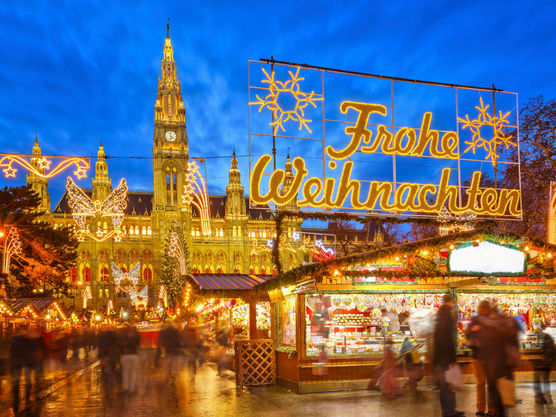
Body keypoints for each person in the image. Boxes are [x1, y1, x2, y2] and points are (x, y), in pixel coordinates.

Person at [433, 294, 465, 417]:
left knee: (445, 384)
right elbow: (446, 338)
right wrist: (452, 358)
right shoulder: (446, 314)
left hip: (440, 354)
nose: (453, 305)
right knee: (448, 384)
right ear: (449, 302)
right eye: (453, 303)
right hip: (444, 355)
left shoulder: (440, 313)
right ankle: (449, 411)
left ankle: (446, 409)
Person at [466, 300, 496, 416]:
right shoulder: (479, 319)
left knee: (482, 383)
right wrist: (473, 330)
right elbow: (468, 333)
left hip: (483, 357)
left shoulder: (481, 319)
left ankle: (483, 408)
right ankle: (486, 408)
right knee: (484, 383)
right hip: (482, 357)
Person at [10, 328, 46, 412]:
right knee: (23, 381)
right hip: (24, 363)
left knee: (20, 381)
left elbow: (13, 353)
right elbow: (32, 352)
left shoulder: (18, 342)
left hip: (21, 363)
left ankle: (18, 399)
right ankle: (20, 399)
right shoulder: (26, 342)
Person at [534, 327, 556, 404]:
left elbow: (537, 350)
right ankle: (548, 398)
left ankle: (539, 397)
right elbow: (553, 350)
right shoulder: (548, 336)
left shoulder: (537, 337)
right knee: (545, 380)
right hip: (547, 363)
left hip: (539, 363)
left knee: (537, 380)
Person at [118, 324, 141, 394]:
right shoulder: (135, 336)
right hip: (133, 355)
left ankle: (126, 387)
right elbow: (138, 344)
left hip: (124, 355)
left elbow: (119, 345)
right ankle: (131, 388)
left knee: (125, 372)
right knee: (132, 372)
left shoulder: (121, 336)